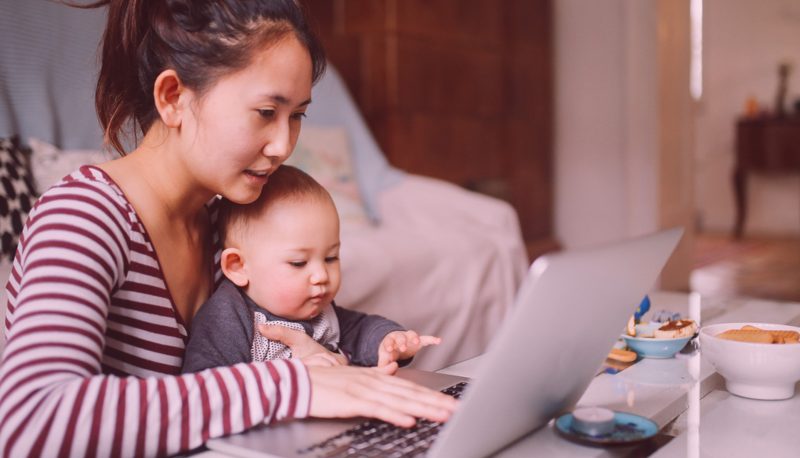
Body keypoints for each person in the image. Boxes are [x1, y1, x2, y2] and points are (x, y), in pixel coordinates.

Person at [0, 1, 456, 456]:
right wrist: (287, 385)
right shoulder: (84, 217)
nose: (283, 146)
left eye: (297, 115)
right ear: (174, 97)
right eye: (265, 112)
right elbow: (31, 419)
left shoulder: (232, 226)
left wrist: (321, 362)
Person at [182, 165, 440, 373]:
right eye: (298, 263)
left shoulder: (320, 310)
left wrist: (390, 341)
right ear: (238, 267)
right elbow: (207, 386)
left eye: (330, 258)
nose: (321, 276)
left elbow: (360, 329)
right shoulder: (229, 317)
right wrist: (291, 375)